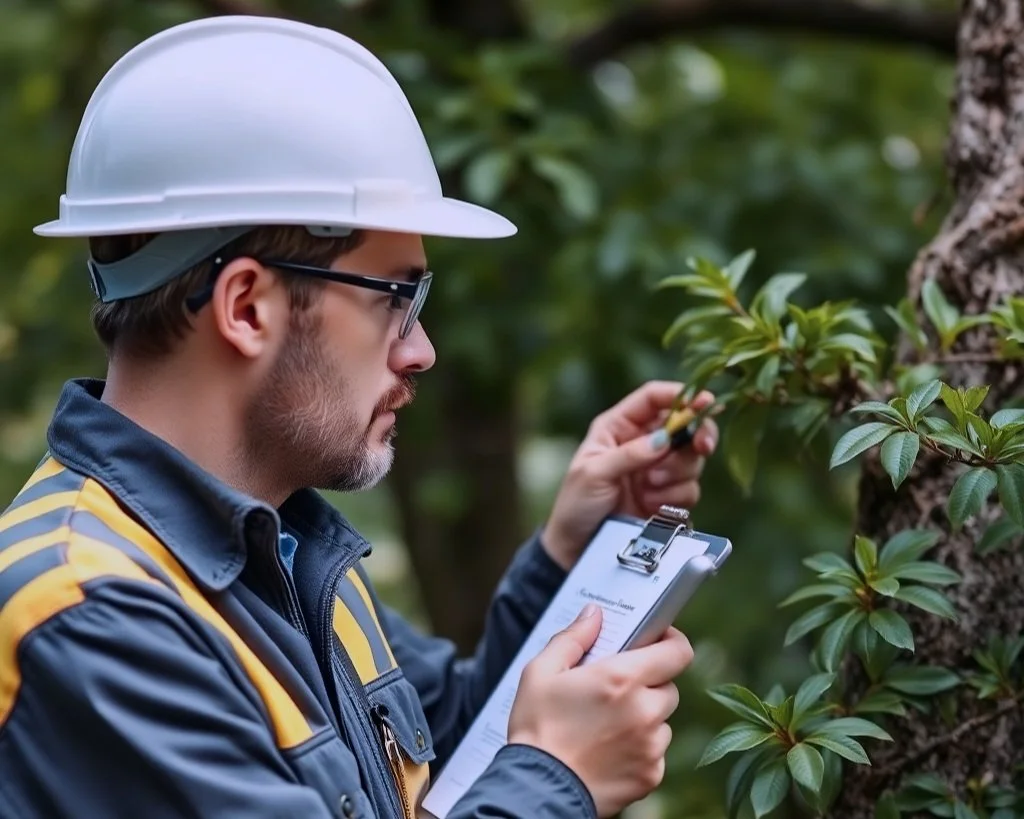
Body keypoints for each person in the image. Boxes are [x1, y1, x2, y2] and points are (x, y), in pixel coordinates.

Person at [0, 15, 718, 819]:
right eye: (395, 297)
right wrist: (558, 779)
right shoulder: (89, 614)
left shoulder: (283, 549)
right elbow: (523, 767)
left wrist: (566, 557)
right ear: (247, 307)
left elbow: (456, 744)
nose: (422, 351)